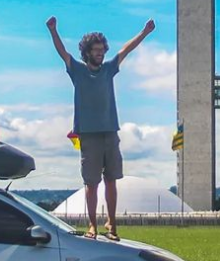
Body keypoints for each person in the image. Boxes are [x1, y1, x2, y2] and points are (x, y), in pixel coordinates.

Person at [46, 16, 156, 240]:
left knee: (111, 180)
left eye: (102, 50)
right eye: (96, 50)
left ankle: (112, 225)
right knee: (91, 183)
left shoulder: (108, 69)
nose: (100, 53)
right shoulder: (77, 70)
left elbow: (126, 50)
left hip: (110, 133)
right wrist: (53, 31)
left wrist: (144, 33)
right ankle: (92, 225)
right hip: (88, 135)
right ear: (87, 52)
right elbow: (62, 52)